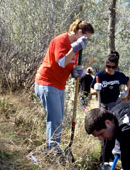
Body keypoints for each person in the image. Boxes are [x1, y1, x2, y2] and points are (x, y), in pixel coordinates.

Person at [35, 18, 94, 153]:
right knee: (54, 119)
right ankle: (52, 151)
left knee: (59, 119)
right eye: (86, 37)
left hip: (59, 85)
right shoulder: (62, 40)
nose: (86, 41)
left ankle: (53, 148)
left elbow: (69, 65)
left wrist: (75, 72)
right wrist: (75, 48)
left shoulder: (76, 45)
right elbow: (61, 61)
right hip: (47, 82)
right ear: (79, 32)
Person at [90, 51, 130, 167]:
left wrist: (126, 92)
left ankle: (109, 156)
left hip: (116, 105)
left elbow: (127, 80)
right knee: (104, 130)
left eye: (113, 67)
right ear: (105, 64)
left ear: (116, 66)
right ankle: (103, 157)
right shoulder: (99, 75)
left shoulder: (119, 75)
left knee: (113, 130)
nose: (110, 69)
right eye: (108, 66)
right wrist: (95, 90)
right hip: (103, 105)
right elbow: (90, 90)